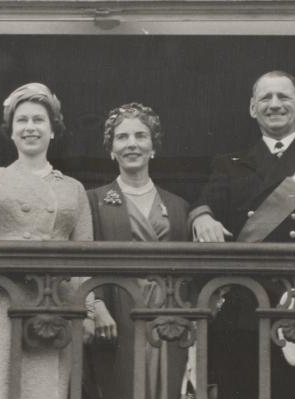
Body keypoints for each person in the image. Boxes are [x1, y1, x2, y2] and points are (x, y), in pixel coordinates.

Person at [0, 77, 115, 399]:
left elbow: (85, 256)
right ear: (11, 131)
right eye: (21, 120)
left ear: (53, 130)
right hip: (0, 299)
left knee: (44, 389)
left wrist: (89, 312)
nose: (30, 127)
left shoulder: (73, 188)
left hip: (53, 306)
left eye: (39, 120)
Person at [189, 70, 295, 399]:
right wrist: (202, 217)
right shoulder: (230, 165)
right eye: (265, 98)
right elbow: (203, 202)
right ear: (252, 108)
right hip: (242, 306)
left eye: (283, 97)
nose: (274, 104)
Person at [86, 103, 192, 399]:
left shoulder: (177, 205)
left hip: (168, 314)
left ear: (153, 147)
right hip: (119, 313)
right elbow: (83, 261)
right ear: (111, 149)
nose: (131, 143)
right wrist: (96, 307)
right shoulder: (93, 201)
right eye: (122, 137)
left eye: (140, 136)